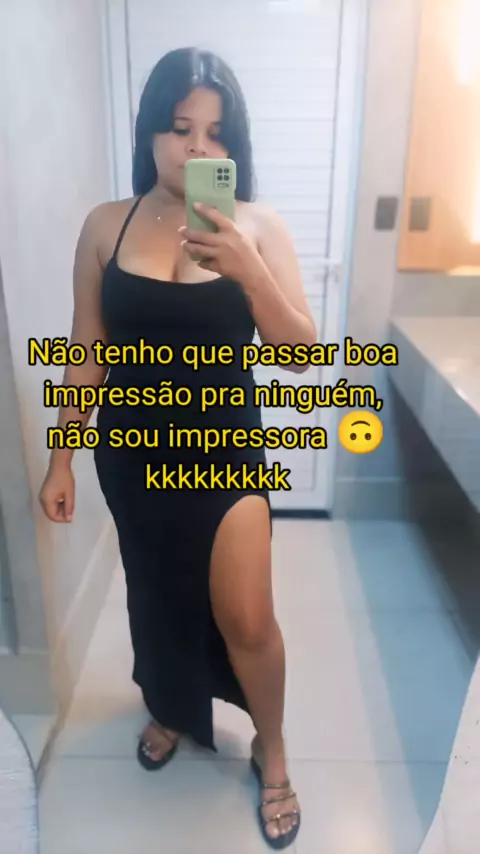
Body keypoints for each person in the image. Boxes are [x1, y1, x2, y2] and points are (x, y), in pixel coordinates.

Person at [39, 47, 316, 849]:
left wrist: (250, 273)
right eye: (179, 127)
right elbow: (86, 350)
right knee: (156, 597)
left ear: (235, 145)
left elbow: (300, 353)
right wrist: (62, 458)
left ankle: (273, 747)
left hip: (225, 454)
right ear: (149, 131)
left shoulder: (258, 226)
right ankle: (168, 706)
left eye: (216, 133)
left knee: (249, 618)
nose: (196, 148)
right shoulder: (107, 225)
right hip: (132, 457)